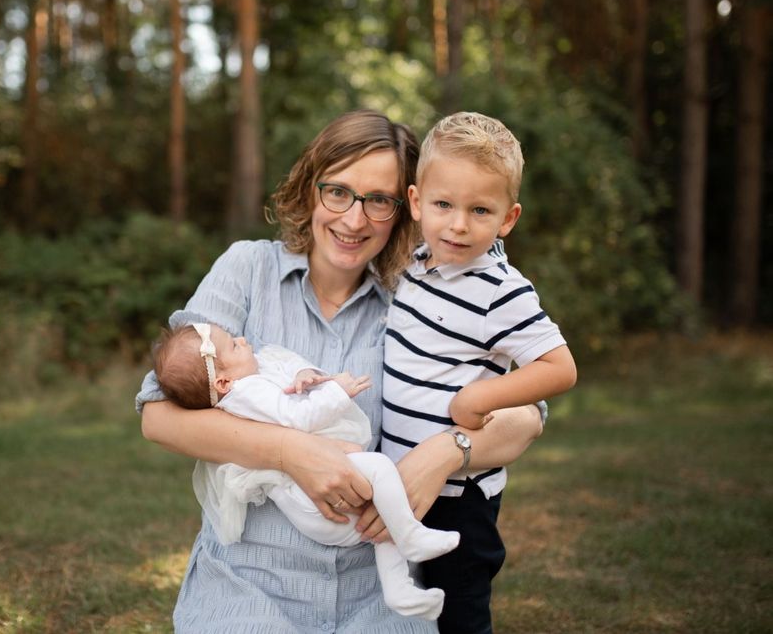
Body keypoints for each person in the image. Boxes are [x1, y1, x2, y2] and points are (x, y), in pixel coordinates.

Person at [137, 109, 546, 633]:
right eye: (338, 192)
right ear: (312, 187)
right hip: (249, 584)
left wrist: (444, 455)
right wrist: (293, 453)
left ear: (406, 209)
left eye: (378, 201)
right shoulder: (247, 269)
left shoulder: (421, 296)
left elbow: (527, 414)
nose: (354, 220)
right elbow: (159, 417)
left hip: (378, 590)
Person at [377, 111, 578, 634]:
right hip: (402, 484)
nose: (458, 224)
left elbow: (560, 367)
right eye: (443, 205)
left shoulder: (500, 290)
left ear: (507, 219)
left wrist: (479, 402)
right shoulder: (417, 265)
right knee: (403, 611)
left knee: (458, 614)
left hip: (459, 497)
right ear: (417, 202)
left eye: (479, 210)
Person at [152, 322, 461, 620]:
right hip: (311, 501)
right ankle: (410, 537)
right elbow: (297, 418)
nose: (244, 341)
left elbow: (279, 378)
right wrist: (337, 391)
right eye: (234, 345)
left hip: (315, 502)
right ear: (222, 383)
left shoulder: (249, 381)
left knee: (380, 515)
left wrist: (304, 374)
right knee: (381, 469)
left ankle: (399, 591)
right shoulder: (247, 393)